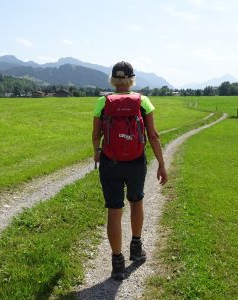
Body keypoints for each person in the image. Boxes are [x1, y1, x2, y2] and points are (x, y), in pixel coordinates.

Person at [92, 61, 168, 280]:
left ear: (113, 80)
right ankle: (136, 248)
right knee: (136, 202)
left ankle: (117, 262)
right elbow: (152, 135)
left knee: (114, 211)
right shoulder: (143, 101)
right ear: (131, 79)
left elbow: (96, 135)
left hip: (110, 163)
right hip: (136, 162)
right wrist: (161, 164)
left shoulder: (102, 102)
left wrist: (97, 151)